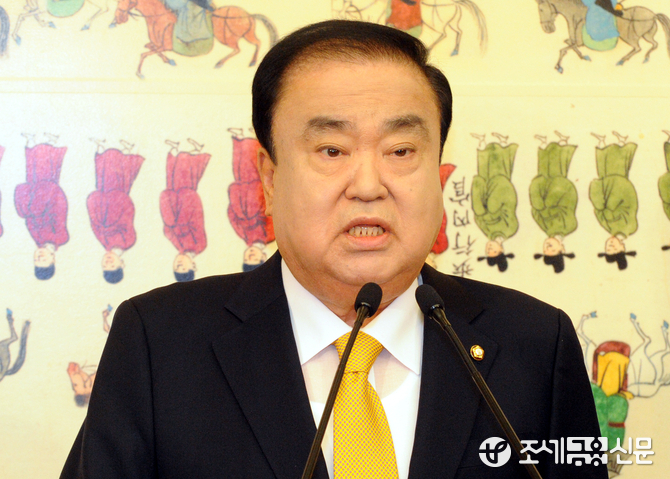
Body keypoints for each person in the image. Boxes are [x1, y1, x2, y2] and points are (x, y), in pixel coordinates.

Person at [61, 20, 606, 478]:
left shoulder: (536, 344)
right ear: (268, 178)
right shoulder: (159, 345)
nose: (368, 185)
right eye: (331, 150)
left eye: (401, 150)